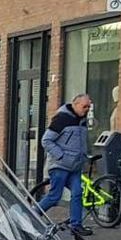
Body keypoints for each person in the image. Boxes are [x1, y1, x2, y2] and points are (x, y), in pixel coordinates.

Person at [37, 93, 93, 232]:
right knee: (54, 196)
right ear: (75, 104)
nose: (86, 109)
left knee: (77, 193)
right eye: (84, 106)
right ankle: (31, 215)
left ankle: (76, 225)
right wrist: (61, 156)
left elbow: (81, 142)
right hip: (60, 166)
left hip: (75, 166)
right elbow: (46, 140)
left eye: (89, 107)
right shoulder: (62, 119)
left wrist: (85, 156)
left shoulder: (82, 121)